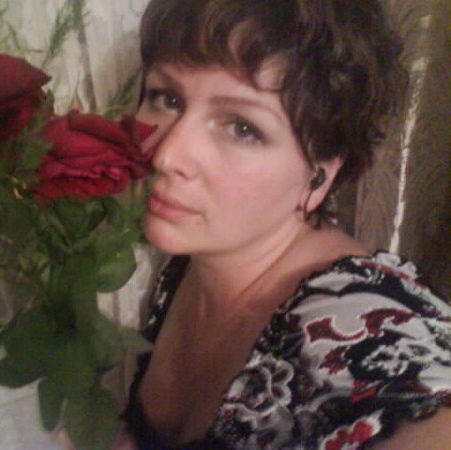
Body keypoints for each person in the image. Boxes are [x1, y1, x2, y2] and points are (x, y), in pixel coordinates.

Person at [115, 0, 451, 448]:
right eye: (167, 98)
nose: (166, 155)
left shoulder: (360, 331)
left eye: (242, 128)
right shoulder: (194, 258)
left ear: (320, 175)